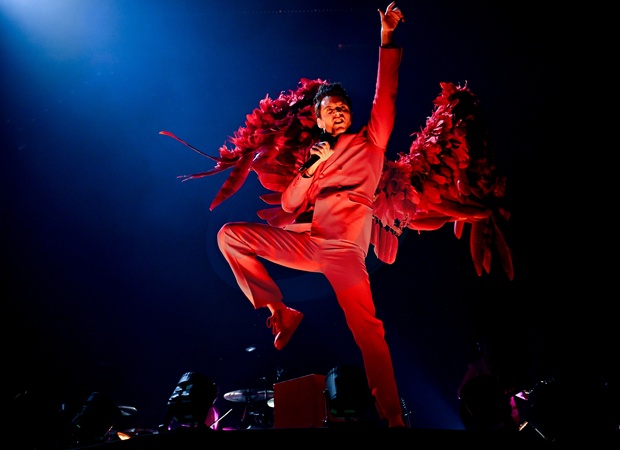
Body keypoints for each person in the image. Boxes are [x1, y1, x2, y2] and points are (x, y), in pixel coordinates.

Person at [217, 2, 406, 428]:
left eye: (343, 107)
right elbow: (288, 204)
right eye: (330, 109)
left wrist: (386, 38)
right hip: (310, 241)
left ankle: (393, 418)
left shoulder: (371, 141)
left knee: (369, 332)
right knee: (229, 235)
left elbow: (386, 95)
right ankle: (279, 310)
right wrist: (310, 167)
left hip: (344, 252)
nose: (338, 111)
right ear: (319, 119)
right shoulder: (316, 157)